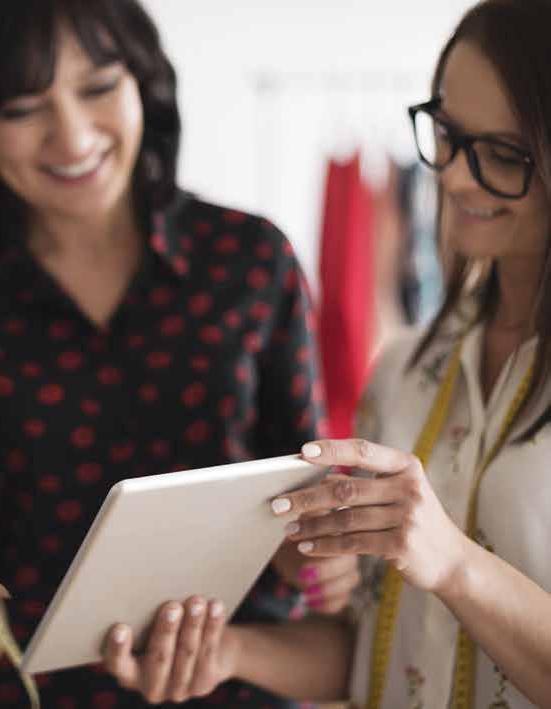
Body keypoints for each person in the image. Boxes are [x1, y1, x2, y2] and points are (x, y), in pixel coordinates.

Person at [0, 0, 358, 706]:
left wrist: (323, 551)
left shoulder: (249, 261)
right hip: (24, 690)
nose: (73, 136)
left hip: (238, 681)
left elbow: (305, 484)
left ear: (143, 80)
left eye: (98, 87)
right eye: (23, 107)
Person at [151, 1, 551, 706]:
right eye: (448, 135)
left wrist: (455, 564)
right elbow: (373, 648)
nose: (453, 178)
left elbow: (447, 577)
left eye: (501, 154)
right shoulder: (404, 372)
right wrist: (228, 651)